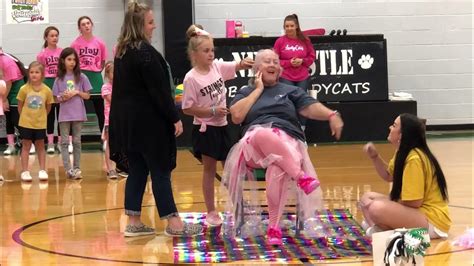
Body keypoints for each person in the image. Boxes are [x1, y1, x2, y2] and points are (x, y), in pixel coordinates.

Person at [223, 49, 344, 245]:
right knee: (263, 133)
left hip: (288, 142)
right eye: (267, 61)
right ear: (256, 68)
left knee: (277, 167)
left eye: (275, 62)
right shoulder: (245, 91)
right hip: (254, 146)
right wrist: (258, 90)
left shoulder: (290, 90)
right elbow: (236, 116)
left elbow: (310, 107)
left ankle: (274, 228)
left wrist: (331, 115)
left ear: (280, 69)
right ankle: (300, 177)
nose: (272, 65)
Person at [110, 2, 202, 237]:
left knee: (138, 170)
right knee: (160, 170)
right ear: (140, 25)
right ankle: (174, 224)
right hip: (149, 124)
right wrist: (174, 118)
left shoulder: (121, 51)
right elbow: (159, 92)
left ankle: (133, 221)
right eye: (150, 23)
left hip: (128, 125)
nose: (153, 27)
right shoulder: (145, 53)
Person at [181, 25, 254, 227]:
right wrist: (211, 111)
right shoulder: (191, 78)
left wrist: (243, 64)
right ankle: (211, 211)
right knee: (209, 170)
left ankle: (238, 205)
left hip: (223, 126)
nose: (211, 54)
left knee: (231, 168)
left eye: (212, 50)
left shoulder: (216, 67)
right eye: (206, 51)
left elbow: (234, 66)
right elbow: (187, 109)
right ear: (194, 54)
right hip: (206, 130)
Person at [360, 113, 451, 239]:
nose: (390, 128)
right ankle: (378, 230)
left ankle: (380, 231)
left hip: (431, 220)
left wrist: (388, 205)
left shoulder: (414, 158)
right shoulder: (402, 152)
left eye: (394, 125)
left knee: (376, 208)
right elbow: (388, 175)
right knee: (366, 198)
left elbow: (414, 202)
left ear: (401, 135)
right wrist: (375, 156)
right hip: (416, 213)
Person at [52, 47, 91, 179]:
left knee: (77, 141)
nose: (72, 62)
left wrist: (77, 92)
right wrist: (62, 97)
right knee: (64, 142)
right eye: (69, 59)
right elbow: (54, 98)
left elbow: (87, 96)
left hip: (78, 114)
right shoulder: (58, 79)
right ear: (63, 61)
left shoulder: (82, 77)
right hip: (64, 115)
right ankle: (68, 169)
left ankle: (77, 168)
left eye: (74, 59)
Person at [71, 16, 107, 150]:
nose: (86, 26)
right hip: (81, 78)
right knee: (77, 111)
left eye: (88, 23)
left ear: (92, 25)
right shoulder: (75, 44)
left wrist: (96, 70)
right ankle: (74, 141)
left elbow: (102, 62)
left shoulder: (100, 43)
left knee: (101, 111)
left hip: (96, 78)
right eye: (83, 24)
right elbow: (72, 62)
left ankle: (104, 139)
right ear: (79, 28)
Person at [273, 14, 315, 129]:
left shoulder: (305, 40)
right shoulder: (280, 42)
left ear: (296, 26)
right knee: (289, 102)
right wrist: (288, 63)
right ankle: (289, 128)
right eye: (287, 26)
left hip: (302, 77)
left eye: (291, 25)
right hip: (286, 76)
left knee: (301, 102)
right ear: (284, 27)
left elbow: (312, 57)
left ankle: (301, 129)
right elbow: (275, 60)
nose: (289, 28)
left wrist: (302, 61)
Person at [16, 61, 54, 182]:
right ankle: (25, 171)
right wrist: (26, 117)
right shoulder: (23, 89)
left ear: (42, 74)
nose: (34, 74)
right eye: (31, 72)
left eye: (37, 72)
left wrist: (41, 116)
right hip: (26, 123)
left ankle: (42, 170)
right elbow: (20, 106)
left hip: (40, 124)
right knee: (26, 146)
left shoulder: (47, 90)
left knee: (41, 146)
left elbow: (48, 107)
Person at [37, 26, 65, 154]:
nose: (55, 38)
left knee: (61, 115)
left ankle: (60, 142)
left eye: (56, 35)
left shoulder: (63, 52)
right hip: (47, 83)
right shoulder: (42, 54)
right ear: (46, 38)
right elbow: (40, 72)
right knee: (49, 115)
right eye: (52, 36)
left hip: (60, 83)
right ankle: (50, 143)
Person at [0, 49, 27, 156]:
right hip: (5, 90)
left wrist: (3, 99)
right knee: (9, 120)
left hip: (15, 90)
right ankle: (11, 145)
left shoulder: (5, 60)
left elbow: (9, 82)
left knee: (17, 120)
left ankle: (28, 144)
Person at [101, 61, 118, 179]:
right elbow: (113, 100)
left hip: (121, 120)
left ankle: (120, 166)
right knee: (110, 145)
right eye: (113, 72)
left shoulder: (123, 86)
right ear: (107, 74)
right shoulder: (106, 87)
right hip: (110, 121)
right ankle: (110, 168)